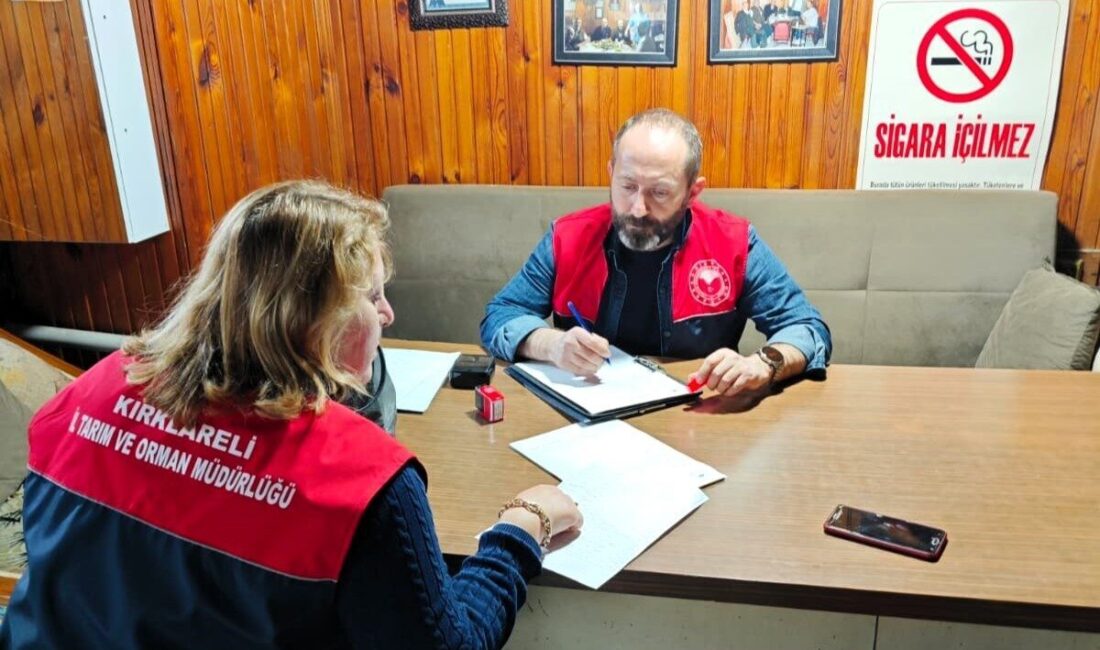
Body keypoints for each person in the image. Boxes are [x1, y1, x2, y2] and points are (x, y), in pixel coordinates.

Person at [1, 180, 583, 649]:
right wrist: (520, 528)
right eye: (371, 294)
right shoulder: (364, 482)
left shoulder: (87, 391)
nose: (388, 312)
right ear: (313, 318)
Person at [481, 109, 831, 397]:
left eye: (659, 193)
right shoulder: (567, 237)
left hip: (696, 417)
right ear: (610, 173)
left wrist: (763, 363)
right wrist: (551, 345)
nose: (637, 208)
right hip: (586, 414)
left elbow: (807, 327)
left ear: (693, 192)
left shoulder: (734, 241)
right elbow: (501, 315)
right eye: (627, 185)